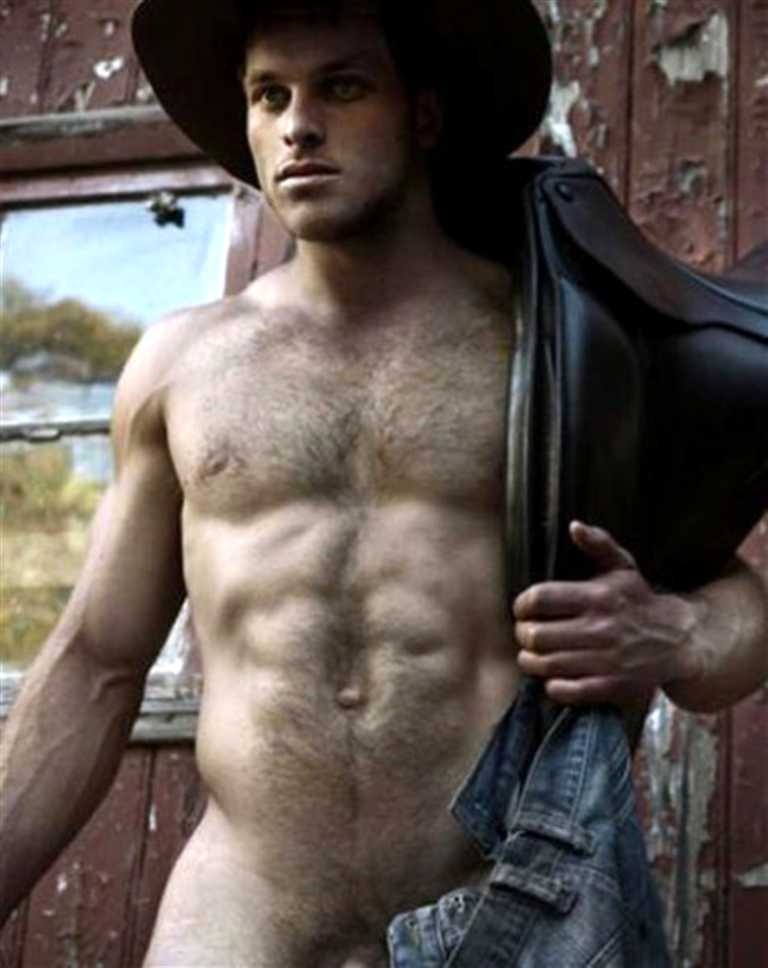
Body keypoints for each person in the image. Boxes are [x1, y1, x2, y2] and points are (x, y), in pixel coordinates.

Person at [1, 1, 766, 965]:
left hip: (511, 912)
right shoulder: (182, 368)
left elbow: (737, 610)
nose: (298, 125)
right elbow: (96, 665)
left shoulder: (558, 344)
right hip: (243, 917)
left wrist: (673, 633)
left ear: (424, 116)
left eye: (342, 87)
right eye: (268, 95)